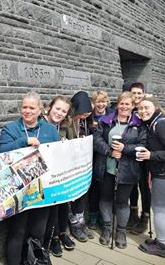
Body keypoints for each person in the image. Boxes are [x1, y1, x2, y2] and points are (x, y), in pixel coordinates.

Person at [0, 91, 59, 265]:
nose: (27, 110)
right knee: (18, 230)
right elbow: (2, 151)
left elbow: (56, 155)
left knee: (38, 230)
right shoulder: (11, 128)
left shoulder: (49, 129)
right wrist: (23, 141)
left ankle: (32, 262)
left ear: (40, 110)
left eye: (32, 107)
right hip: (19, 189)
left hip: (44, 188)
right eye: (24, 107)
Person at [93, 91, 146, 249]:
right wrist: (110, 151)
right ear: (117, 104)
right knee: (106, 198)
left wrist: (125, 148)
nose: (123, 106)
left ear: (132, 106)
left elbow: (143, 145)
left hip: (128, 169)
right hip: (107, 167)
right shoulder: (106, 121)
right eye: (121, 103)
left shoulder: (139, 124)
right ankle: (107, 228)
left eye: (127, 104)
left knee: (123, 202)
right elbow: (97, 139)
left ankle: (121, 231)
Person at [137, 96, 165, 258]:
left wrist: (151, 155)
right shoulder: (156, 122)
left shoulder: (162, 124)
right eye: (140, 108)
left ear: (156, 107)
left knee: (160, 210)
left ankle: (162, 246)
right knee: (161, 209)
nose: (143, 111)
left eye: (146, 107)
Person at [43, 96, 75, 257]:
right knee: (52, 207)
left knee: (64, 204)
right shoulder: (41, 124)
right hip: (46, 175)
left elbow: (72, 145)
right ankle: (54, 238)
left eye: (64, 111)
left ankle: (63, 233)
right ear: (50, 107)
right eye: (57, 109)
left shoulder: (66, 126)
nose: (59, 113)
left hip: (62, 172)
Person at [68, 91, 94, 242]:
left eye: (86, 115)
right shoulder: (68, 120)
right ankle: (73, 223)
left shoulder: (82, 121)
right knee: (71, 195)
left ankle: (81, 220)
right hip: (68, 164)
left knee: (81, 192)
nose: (84, 117)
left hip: (80, 164)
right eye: (82, 114)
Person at [126, 82, 151, 234]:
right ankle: (133, 212)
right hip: (130, 153)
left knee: (144, 186)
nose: (136, 96)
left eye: (139, 94)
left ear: (143, 94)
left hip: (145, 153)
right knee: (132, 185)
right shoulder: (128, 109)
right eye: (133, 93)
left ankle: (145, 216)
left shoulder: (146, 109)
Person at [87, 90, 113, 230]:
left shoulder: (112, 115)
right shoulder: (89, 116)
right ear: (94, 103)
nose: (101, 104)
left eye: (103, 101)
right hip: (91, 156)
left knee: (106, 188)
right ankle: (93, 215)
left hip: (106, 156)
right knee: (94, 188)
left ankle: (105, 217)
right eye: (98, 101)